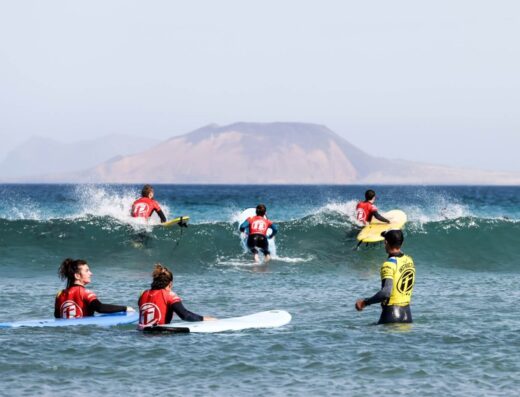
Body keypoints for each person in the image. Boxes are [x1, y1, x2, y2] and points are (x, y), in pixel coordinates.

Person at [355, 229, 415, 324]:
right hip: (407, 315)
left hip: (391, 315)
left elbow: (386, 293)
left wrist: (365, 302)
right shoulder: (409, 260)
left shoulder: (388, 265)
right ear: (402, 243)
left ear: (385, 242)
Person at [138, 263, 216, 327]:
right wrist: (203, 318)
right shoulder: (169, 295)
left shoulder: (143, 294)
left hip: (141, 334)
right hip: (159, 335)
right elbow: (185, 315)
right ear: (170, 284)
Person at [55, 258, 134, 319]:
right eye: (87, 271)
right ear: (77, 276)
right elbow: (100, 308)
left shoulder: (60, 294)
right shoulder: (85, 292)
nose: (91, 273)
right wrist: (125, 308)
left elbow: (57, 316)